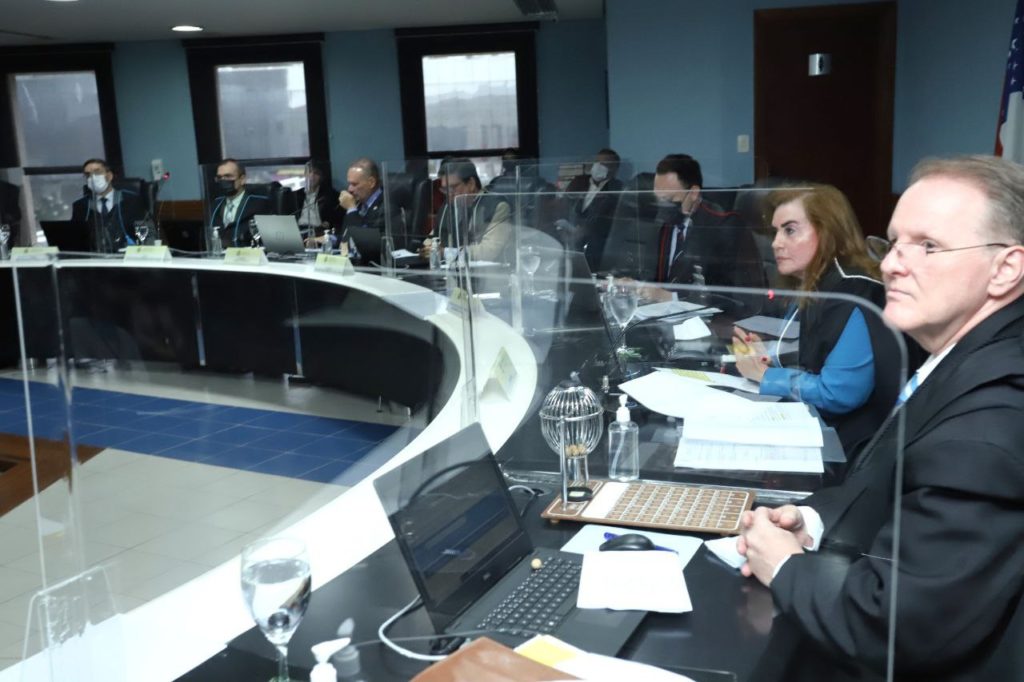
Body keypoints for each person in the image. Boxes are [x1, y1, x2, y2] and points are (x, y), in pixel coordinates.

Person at [738, 155, 1024, 682]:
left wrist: (785, 565)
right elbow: (895, 482)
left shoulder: (991, 418)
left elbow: (899, 625)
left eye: (928, 245)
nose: (891, 264)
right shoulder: (963, 357)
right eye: (892, 243)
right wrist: (814, 522)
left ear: (1005, 269)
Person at [731, 184, 905, 457]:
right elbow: (812, 352)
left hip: (852, 448)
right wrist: (769, 355)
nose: (776, 243)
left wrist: (765, 376)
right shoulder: (812, 283)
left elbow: (839, 393)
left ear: (827, 232)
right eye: (775, 232)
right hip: (816, 426)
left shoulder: (853, 291)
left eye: (790, 230)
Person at [420, 158, 512, 263]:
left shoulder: (497, 206)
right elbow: (431, 238)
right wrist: (429, 248)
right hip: (449, 269)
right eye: (445, 189)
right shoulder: (448, 207)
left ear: (471, 184)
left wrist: (445, 253)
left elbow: (489, 250)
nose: (448, 194)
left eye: (453, 187)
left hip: (487, 271)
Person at [562, 148, 624, 270]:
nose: (599, 166)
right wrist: (564, 228)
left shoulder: (616, 188)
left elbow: (609, 220)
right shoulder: (578, 181)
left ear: (614, 169)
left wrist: (584, 230)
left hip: (595, 242)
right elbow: (564, 204)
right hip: (569, 234)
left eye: (605, 164)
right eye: (597, 162)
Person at [71, 158, 147, 252]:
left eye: (97, 172)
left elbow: (146, 232)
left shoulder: (131, 200)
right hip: (94, 256)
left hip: (127, 254)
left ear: (109, 176)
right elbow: (75, 238)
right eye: (88, 175)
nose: (92, 178)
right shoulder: (81, 206)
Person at [208, 159, 270, 248]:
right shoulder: (215, 205)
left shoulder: (258, 205)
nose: (223, 180)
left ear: (242, 179)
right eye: (219, 177)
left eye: (228, 176)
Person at [294, 160, 341, 241]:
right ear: (305, 174)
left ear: (321, 177)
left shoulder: (330, 195)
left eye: (316, 173)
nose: (312, 176)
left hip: (317, 232)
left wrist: (327, 223)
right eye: (309, 172)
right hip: (298, 231)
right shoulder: (296, 195)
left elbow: (334, 219)